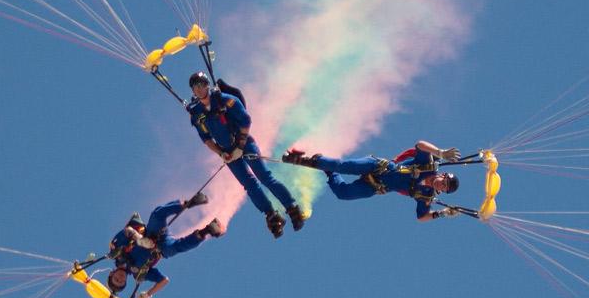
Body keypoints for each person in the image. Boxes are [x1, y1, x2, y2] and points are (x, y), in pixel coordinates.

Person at [187, 71, 306, 238]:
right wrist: (221, 153)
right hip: (227, 153)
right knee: (249, 185)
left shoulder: (226, 100)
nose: (199, 89)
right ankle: (271, 215)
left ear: (207, 85)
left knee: (264, 177)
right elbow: (206, 139)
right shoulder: (197, 114)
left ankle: (292, 208)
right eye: (195, 87)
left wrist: (240, 146)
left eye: (201, 85)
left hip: (244, 144)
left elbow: (246, 121)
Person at [282, 140, 461, 221]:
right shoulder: (428, 165)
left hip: (376, 185)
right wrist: (440, 152)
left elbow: (422, 217)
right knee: (343, 166)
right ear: (443, 175)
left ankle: (328, 170)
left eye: (444, 188)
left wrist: (443, 213)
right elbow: (420, 145)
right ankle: (307, 160)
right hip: (377, 167)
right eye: (444, 181)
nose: (441, 185)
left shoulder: (426, 196)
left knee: (344, 193)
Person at [107, 196, 223, 298]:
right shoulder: (138, 274)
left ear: (112, 273)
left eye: (116, 279)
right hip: (161, 247)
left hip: (150, 234)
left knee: (157, 214)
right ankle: (208, 230)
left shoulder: (116, 253)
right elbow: (164, 280)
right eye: (121, 282)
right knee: (175, 248)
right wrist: (148, 294)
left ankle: (190, 202)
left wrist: (140, 240)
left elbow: (127, 231)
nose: (120, 278)